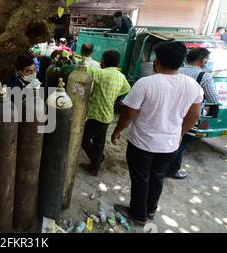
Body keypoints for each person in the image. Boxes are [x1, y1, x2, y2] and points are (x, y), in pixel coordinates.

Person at [111, 41, 203, 225]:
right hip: (169, 145)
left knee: (141, 178)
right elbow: (194, 116)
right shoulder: (192, 85)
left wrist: (117, 131)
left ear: (157, 61)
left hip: (142, 143)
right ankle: (150, 210)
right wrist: (180, 134)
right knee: (157, 177)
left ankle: (138, 214)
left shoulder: (145, 83)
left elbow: (129, 113)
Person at [167, 48, 218, 180]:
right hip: (190, 116)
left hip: (170, 112)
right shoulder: (204, 76)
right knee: (181, 143)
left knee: (168, 140)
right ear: (203, 60)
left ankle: (160, 166)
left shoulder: (176, 70)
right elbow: (213, 98)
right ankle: (172, 170)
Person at [79, 50, 131, 176]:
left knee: (83, 138)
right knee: (99, 142)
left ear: (103, 61)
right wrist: (113, 95)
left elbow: (82, 69)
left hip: (96, 115)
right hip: (108, 115)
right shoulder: (121, 76)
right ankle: (94, 167)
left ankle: (97, 159)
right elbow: (127, 88)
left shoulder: (100, 73)